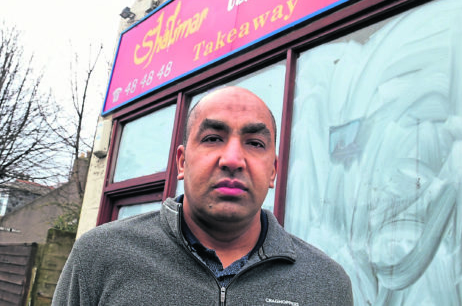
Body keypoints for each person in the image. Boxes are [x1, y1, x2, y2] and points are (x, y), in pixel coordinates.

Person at [53, 86, 353, 305]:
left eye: (255, 143)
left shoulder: (328, 283)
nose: (233, 159)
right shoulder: (100, 255)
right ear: (182, 162)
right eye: (212, 139)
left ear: (273, 171)